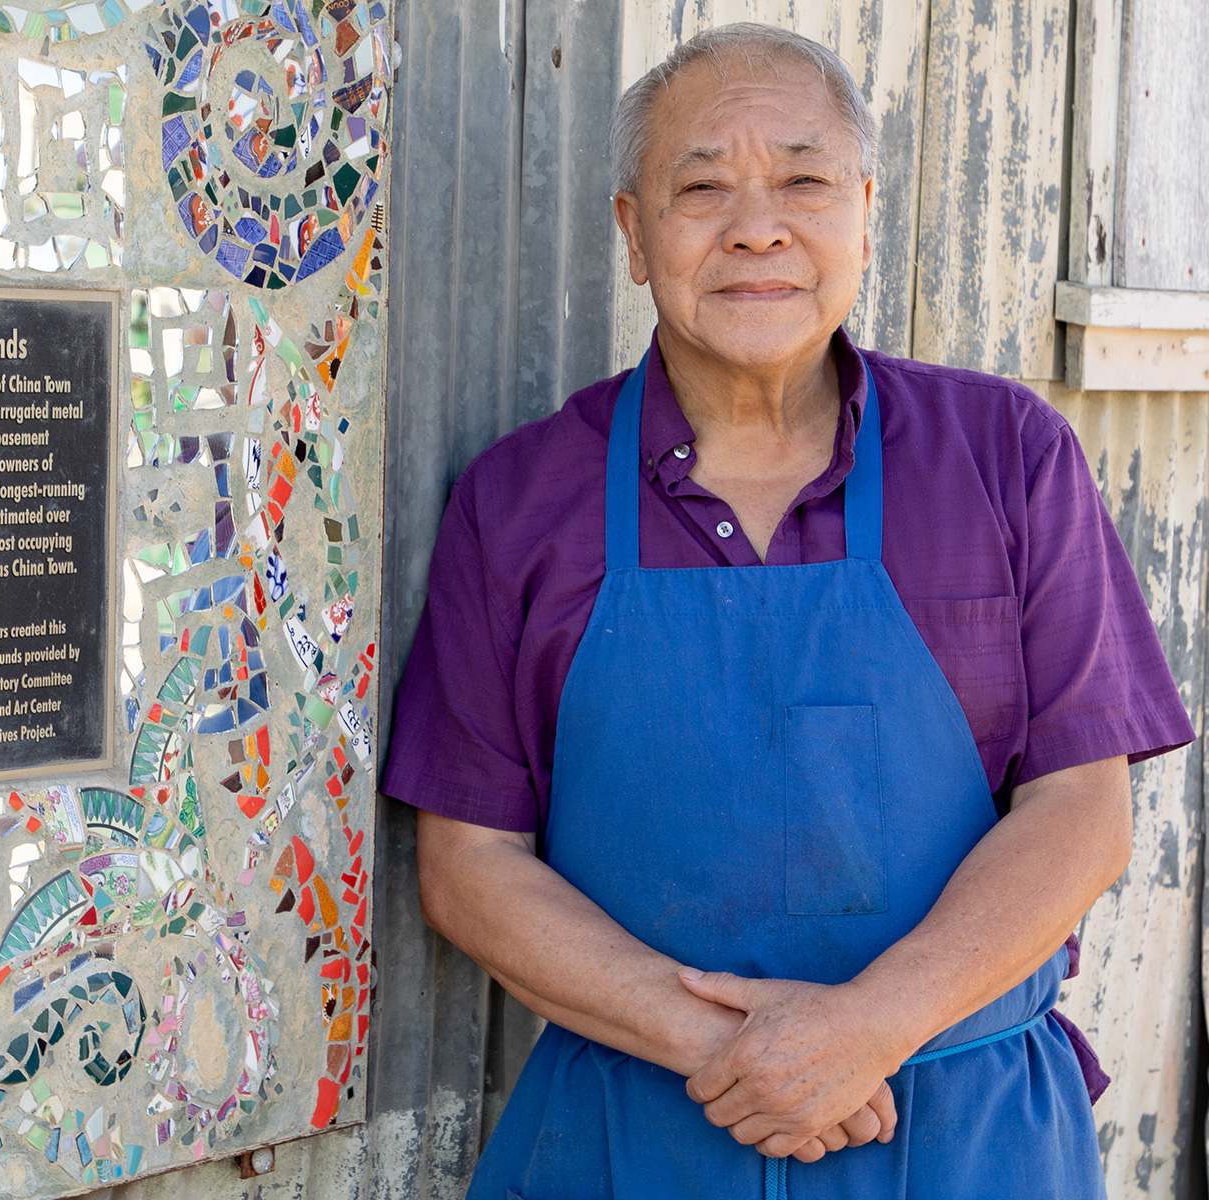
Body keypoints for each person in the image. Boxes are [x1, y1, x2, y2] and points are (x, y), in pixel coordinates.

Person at [381, 22, 1194, 1200]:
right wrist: (738, 1054)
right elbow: (467, 863)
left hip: (959, 1139)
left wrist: (869, 1025)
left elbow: (1081, 808)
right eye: (701, 184)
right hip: (632, 1136)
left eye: (803, 181)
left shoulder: (1005, 457)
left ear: (864, 209)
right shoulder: (518, 502)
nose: (755, 226)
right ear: (630, 233)